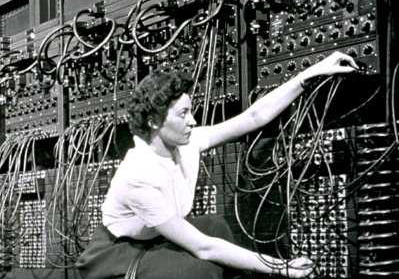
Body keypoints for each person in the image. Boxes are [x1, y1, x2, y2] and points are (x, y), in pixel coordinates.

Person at [76, 51, 359, 279]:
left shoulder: (186, 143)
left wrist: (308, 75)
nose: (193, 121)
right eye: (183, 114)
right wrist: (280, 266)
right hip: (119, 251)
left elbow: (252, 118)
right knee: (199, 269)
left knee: (215, 225)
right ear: (154, 122)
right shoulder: (137, 174)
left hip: (155, 238)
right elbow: (203, 248)